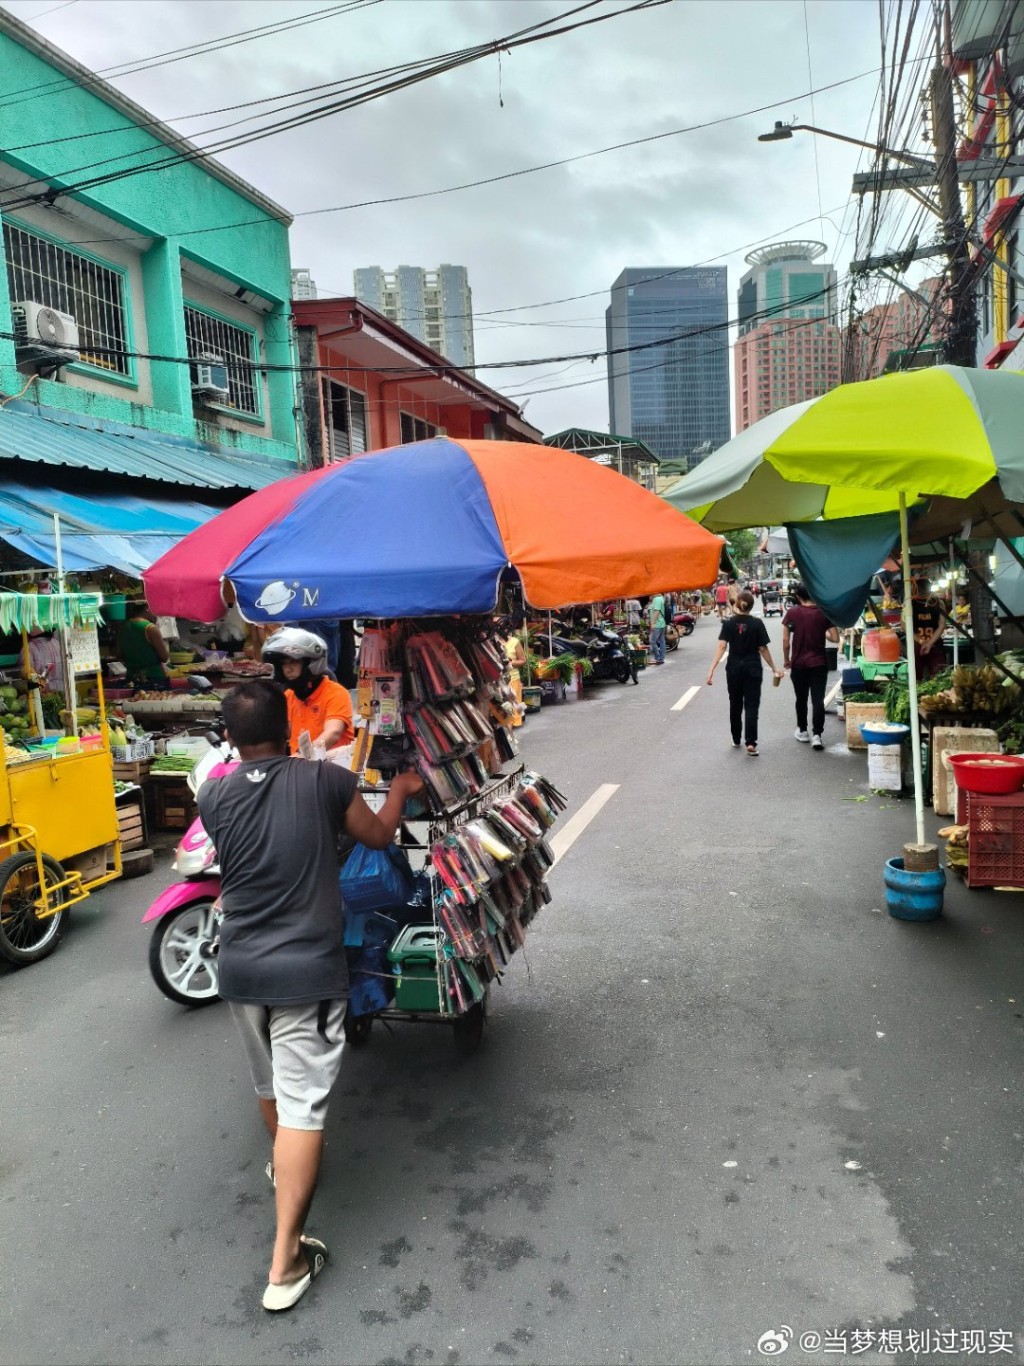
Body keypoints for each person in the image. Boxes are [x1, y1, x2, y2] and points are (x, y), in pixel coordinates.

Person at [197, 679, 424, 1312]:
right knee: (301, 1107)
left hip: (239, 967)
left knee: (270, 1087)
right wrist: (402, 790)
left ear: (230, 737)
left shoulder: (213, 793)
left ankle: (283, 1175)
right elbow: (376, 837)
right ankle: (286, 1259)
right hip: (306, 970)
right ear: (288, 721)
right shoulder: (323, 783)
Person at [705, 589, 783, 756]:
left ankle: (735, 738)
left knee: (735, 703)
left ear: (737, 604)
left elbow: (721, 646)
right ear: (751, 605)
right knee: (751, 705)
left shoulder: (728, 624)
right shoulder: (757, 624)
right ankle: (751, 742)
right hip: (753, 668)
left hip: (734, 669)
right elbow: (763, 649)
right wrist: (775, 669)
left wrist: (711, 669)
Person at [262, 628, 355, 754]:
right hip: (301, 768)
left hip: (334, 766)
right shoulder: (289, 696)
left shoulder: (336, 693)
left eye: (294, 662)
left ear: (310, 663)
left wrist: (302, 756)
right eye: (284, 664)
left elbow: (333, 732)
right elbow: (279, 732)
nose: (288, 669)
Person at [782, 584, 839, 750]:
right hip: (819, 663)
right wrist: (823, 631)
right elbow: (835, 638)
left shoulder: (792, 613)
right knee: (817, 700)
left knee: (801, 699)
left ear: (799, 597)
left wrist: (787, 659)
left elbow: (786, 641)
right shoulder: (823, 612)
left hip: (798, 664)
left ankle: (803, 731)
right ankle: (817, 736)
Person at [117, 606, 169, 687]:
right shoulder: (150, 628)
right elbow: (164, 657)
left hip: (132, 677)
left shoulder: (122, 628)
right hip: (153, 678)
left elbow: (118, 654)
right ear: (147, 609)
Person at [910, 579, 948, 680]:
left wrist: (921, 641)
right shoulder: (939, 603)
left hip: (917, 646)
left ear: (916, 589)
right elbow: (942, 625)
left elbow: (905, 626)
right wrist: (929, 643)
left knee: (915, 680)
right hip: (935, 644)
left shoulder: (909, 604)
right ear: (929, 588)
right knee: (938, 680)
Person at [28, 628, 64, 692]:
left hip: (44, 694)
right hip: (65, 691)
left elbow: (26, 674)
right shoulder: (57, 643)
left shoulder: (30, 647)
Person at [647, 592, 667, 665]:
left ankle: (658, 658)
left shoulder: (657, 599)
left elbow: (657, 611)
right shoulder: (660, 598)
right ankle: (661, 658)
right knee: (662, 641)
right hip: (661, 623)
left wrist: (653, 623)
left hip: (657, 624)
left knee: (653, 641)